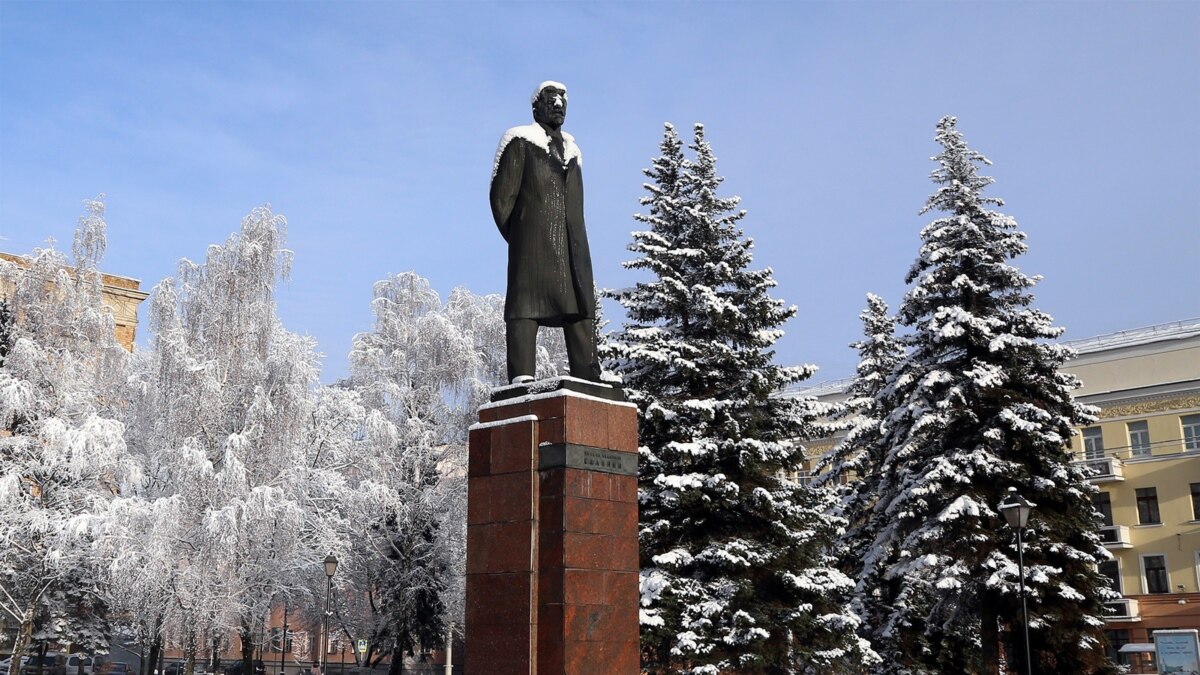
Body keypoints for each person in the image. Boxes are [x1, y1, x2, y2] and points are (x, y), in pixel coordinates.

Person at [489, 81, 601, 384]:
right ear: (536, 106)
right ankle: (521, 376)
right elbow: (501, 201)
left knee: (580, 307)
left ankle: (587, 373)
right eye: (551, 101)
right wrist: (525, 236)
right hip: (533, 249)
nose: (558, 107)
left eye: (563, 102)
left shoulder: (573, 151)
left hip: (573, 249)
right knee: (525, 309)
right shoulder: (520, 141)